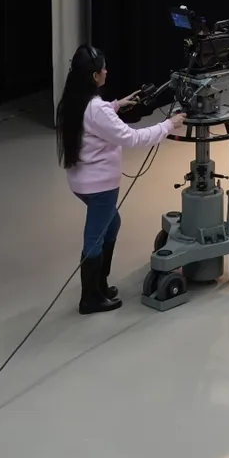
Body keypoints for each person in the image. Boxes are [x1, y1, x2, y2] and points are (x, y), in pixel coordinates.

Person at [56, 45, 183, 314]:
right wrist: (168, 125)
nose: (106, 71)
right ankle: (90, 298)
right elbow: (131, 138)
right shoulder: (97, 110)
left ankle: (99, 285)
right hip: (100, 187)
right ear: (94, 76)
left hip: (81, 182)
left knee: (112, 223)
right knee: (95, 237)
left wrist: (115, 105)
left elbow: (93, 119)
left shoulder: (74, 100)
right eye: (103, 68)